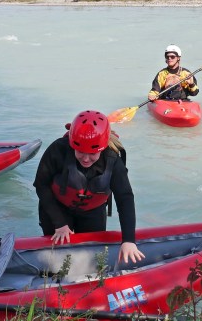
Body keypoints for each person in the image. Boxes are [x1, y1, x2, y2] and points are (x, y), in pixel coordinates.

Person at [33, 110, 145, 264]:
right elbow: (41, 184)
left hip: (93, 211)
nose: (85, 158)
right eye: (80, 152)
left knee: (92, 257)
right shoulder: (58, 150)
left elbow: (124, 197)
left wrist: (129, 240)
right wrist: (59, 222)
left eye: (92, 153)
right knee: (57, 257)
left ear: (102, 147)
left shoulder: (113, 160)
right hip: (57, 208)